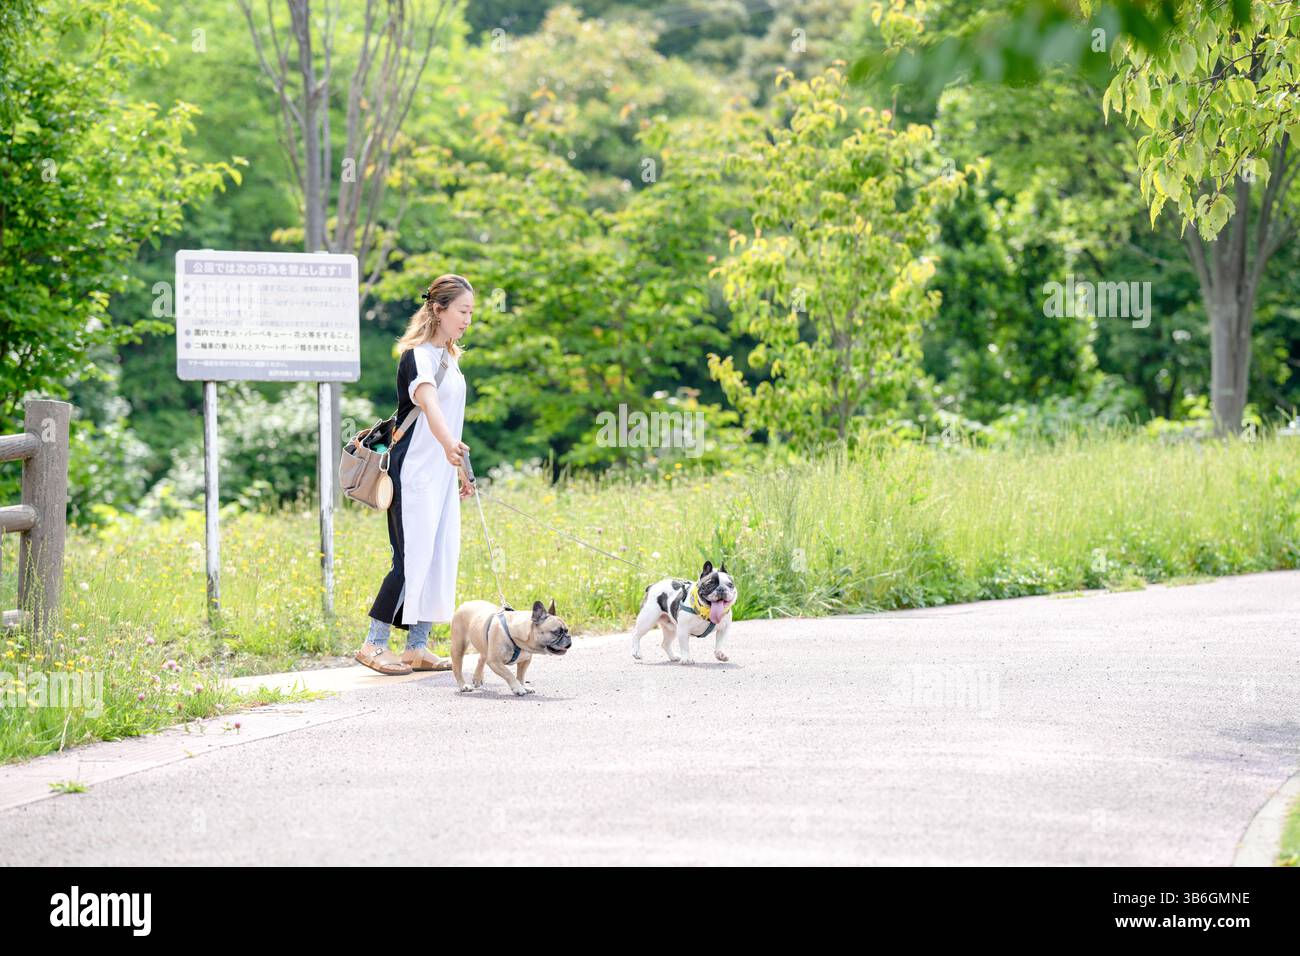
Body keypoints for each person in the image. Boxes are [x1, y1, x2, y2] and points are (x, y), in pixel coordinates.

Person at [357, 274, 475, 675]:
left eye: (472, 312)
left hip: (441, 474)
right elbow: (431, 407)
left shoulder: (451, 360)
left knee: (440, 555)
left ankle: (417, 647)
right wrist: (447, 447)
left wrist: (461, 469)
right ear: (438, 310)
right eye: (462, 311)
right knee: (410, 559)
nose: (467, 320)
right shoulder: (417, 356)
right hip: (414, 474)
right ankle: (373, 644)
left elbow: (453, 422)